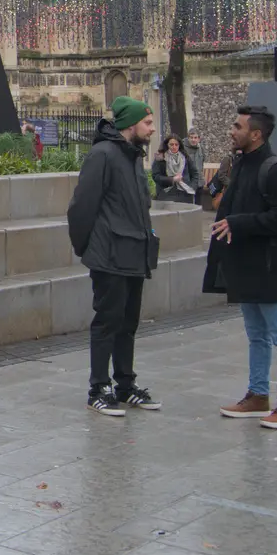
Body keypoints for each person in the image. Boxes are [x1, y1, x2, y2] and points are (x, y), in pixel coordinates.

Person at [206, 105, 277, 430]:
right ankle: (258, 395)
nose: (231, 130)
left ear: (256, 134)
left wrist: (238, 222)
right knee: (256, 336)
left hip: (271, 268)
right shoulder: (241, 165)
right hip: (246, 267)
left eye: (238, 126)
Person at [67, 95, 162, 417]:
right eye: (147, 123)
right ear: (130, 124)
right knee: (108, 320)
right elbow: (82, 206)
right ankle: (98, 387)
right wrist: (86, 248)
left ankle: (125, 384)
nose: (152, 128)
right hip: (108, 254)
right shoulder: (102, 154)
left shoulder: (134, 156)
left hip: (134, 253)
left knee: (128, 322)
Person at [151, 135, 195, 203]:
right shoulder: (160, 157)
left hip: (185, 193)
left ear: (179, 145)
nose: (174, 147)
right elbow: (156, 176)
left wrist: (192, 187)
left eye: (176, 144)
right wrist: (172, 179)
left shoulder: (185, 157)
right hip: (166, 193)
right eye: (171, 144)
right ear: (167, 145)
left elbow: (195, 174)